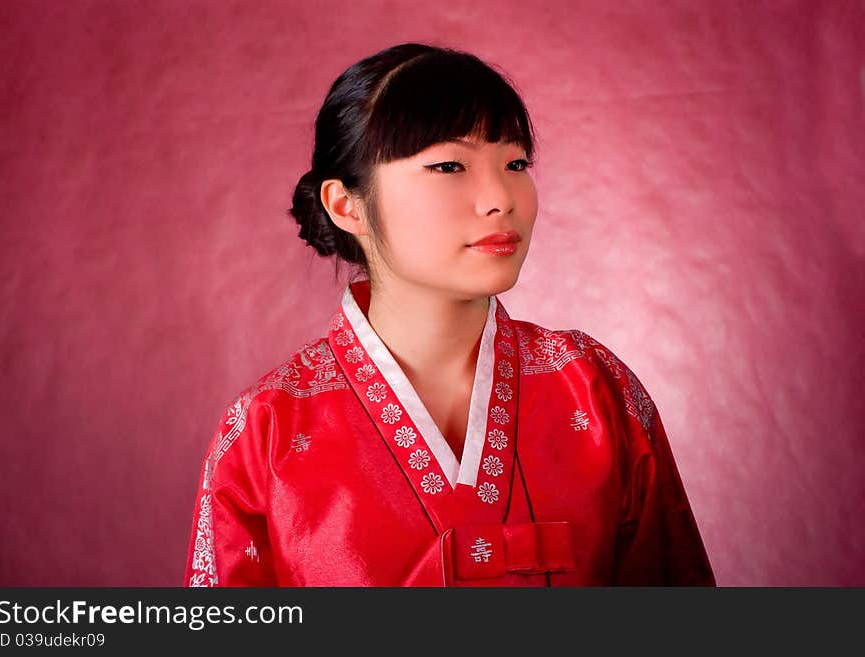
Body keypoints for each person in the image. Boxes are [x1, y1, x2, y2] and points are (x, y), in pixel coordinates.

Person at [184, 42, 715, 587]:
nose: (499, 198)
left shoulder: (595, 390)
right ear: (347, 205)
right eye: (449, 165)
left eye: (515, 163)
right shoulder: (266, 432)